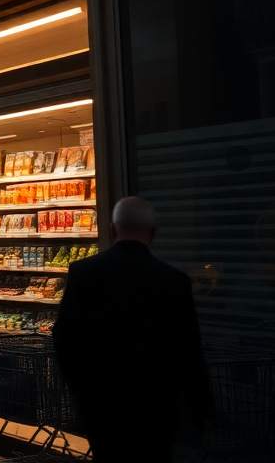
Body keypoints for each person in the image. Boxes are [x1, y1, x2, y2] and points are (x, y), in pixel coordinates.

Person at [53, 197, 212, 463]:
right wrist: (201, 411)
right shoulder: (174, 281)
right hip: (155, 402)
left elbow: (63, 336)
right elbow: (189, 351)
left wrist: (80, 387)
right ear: (154, 233)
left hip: (100, 402)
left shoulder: (83, 272)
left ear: (113, 229)